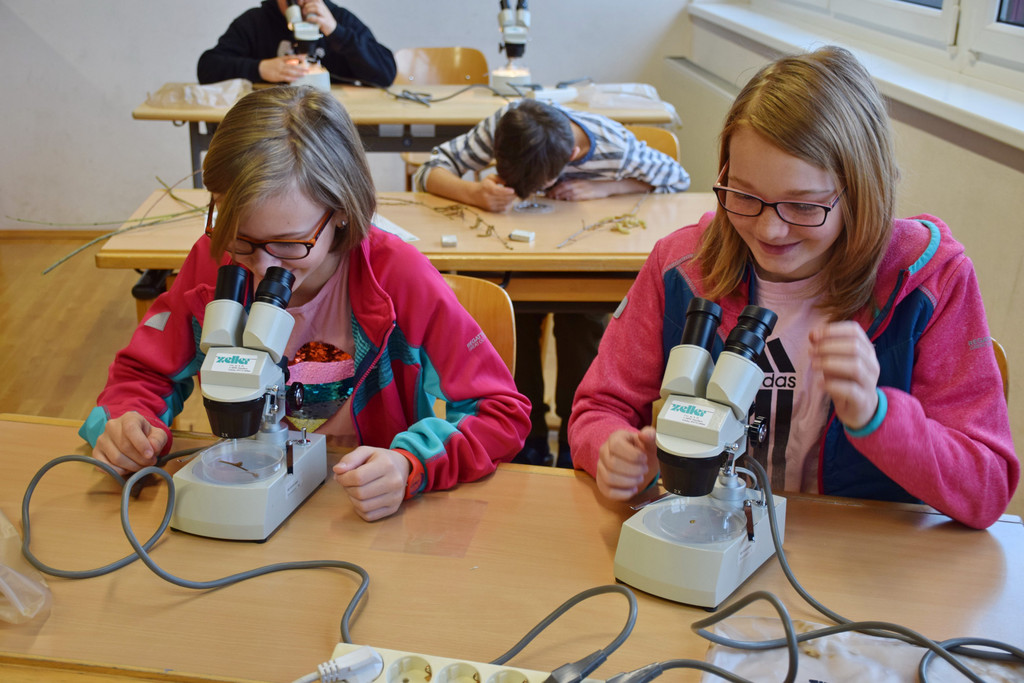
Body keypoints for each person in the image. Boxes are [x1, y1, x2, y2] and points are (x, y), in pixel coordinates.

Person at [567, 46, 1018, 530]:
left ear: (861, 191)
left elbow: (985, 487)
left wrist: (877, 416)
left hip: (856, 550)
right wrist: (611, 450)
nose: (770, 230)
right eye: (744, 195)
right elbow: (599, 407)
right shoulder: (680, 268)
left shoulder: (930, 283)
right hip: (711, 529)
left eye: (803, 206)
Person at [79, 86, 530, 522]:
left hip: (360, 505)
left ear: (342, 211)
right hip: (248, 477)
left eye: (289, 244)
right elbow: (143, 374)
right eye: (240, 239)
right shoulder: (213, 264)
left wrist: (410, 464)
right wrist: (128, 423)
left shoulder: (399, 278)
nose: (262, 268)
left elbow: (501, 413)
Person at [414, 99, 691, 467]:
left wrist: (607, 188)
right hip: (514, 265)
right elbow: (428, 171)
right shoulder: (507, 126)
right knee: (516, 328)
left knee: (581, 331)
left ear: (572, 156)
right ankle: (528, 439)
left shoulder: (611, 144)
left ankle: (576, 439)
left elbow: (677, 178)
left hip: (584, 269)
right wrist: (475, 193)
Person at [197, 0, 396, 87]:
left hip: (328, 124)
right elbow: (207, 67)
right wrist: (260, 68)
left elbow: (386, 73)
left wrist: (336, 32)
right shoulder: (255, 21)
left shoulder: (339, 18)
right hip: (272, 123)